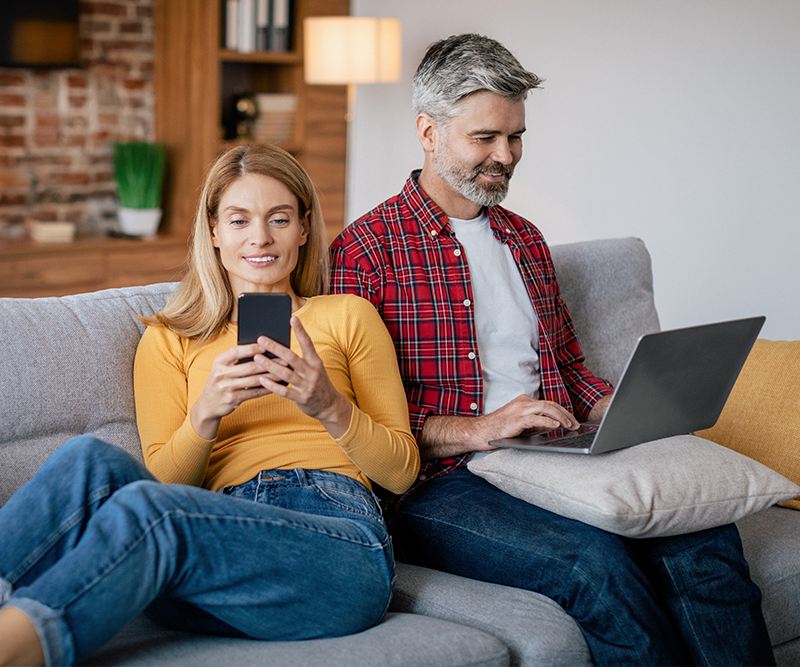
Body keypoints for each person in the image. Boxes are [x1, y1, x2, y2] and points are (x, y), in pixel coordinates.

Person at [329, 33, 774, 666]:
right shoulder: (365, 251)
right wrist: (486, 427)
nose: (505, 156)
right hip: (437, 484)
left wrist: (621, 407)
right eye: (485, 138)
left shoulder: (525, 240)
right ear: (428, 131)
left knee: (705, 540)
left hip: (551, 456)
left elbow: (567, 366)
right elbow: (357, 425)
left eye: (516, 137)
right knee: (597, 566)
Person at [0, 143, 419, 667]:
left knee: (153, 513)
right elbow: (166, 487)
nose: (260, 237)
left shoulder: (347, 316)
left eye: (279, 218)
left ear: (305, 228)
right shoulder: (170, 338)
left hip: (337, 547)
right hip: (211, 539)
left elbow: (401, 473)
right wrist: (205, 414)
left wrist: (328, 404)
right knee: (86, 461)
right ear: (215, 232)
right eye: (239, 220)